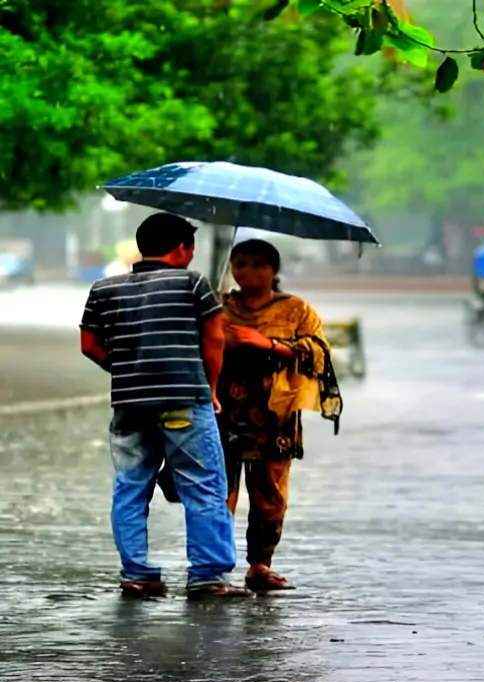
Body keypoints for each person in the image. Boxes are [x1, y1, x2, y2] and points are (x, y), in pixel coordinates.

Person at [79, 212, 248, 599]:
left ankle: (138, 574)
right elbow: (214, 340)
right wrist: (212, 388)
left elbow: (89, 344)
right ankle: (207, 575)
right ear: (183, 247)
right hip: (183, 402)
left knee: (130, 486)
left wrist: (125, 369)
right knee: (203, 485)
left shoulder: (103, 288)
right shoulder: (193, 283)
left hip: (129, 406)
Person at [218, 239, 342, 592]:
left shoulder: (296, 310)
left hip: (276, 415)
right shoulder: (219, 305)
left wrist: (267, 344)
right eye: (240, 264)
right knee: (221, 490)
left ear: (274, 271)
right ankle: (213, 564)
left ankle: (260, 564)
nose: (248, 272)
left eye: (258, 265)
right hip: (224, 410)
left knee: (269, 492)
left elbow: (319, 353)